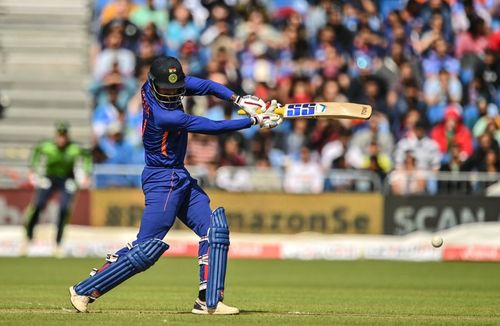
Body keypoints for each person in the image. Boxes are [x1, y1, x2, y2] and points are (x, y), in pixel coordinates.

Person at [69, 56, 282, 314]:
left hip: (178, 174)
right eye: (166, 89)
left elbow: (205, 86)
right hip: (162, 179)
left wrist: (238, 99)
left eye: (176, 88)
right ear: (153, 84)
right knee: (146, 248)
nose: (172, 93)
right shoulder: (163, 115)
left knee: (214, 230)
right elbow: (210, 127)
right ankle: (86, 289)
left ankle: (208, 300)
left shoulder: (159, 86)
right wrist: (253, 121)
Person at [24, 122, 92, 255]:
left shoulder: (74, 148)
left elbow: (87, 156)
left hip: (67, 179)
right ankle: (28, 236)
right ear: (56, 136)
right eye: (59, 136)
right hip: (49, 177)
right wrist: (33, 170)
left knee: (64, 208)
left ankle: (58, 242)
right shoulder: (47, 146)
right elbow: (36, 152)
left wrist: (86, 173)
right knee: (38, 205)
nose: (61, 139)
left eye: (64, 136)